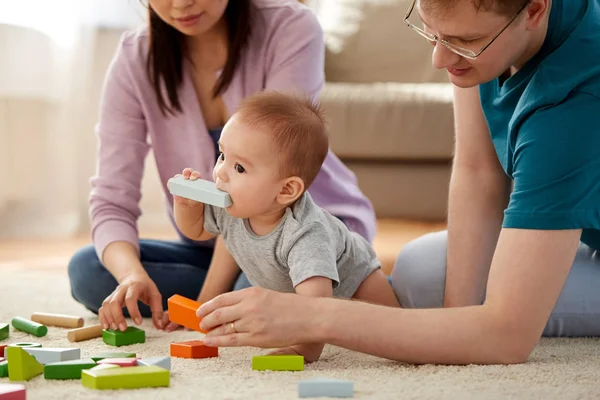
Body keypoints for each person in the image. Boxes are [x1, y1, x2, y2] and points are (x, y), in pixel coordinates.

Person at [196, 0, 600, 364]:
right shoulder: (487, 39)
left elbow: (507, 338)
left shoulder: (571, 108)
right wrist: (453, 325)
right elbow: (478, 170)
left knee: (458, 315)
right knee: (419, 275)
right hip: (584, 225)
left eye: (464, 41)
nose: (440, 59)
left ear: (534, 10)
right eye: (432, 33)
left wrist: (314, 317)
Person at [67, 0, 377, 334]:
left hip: (294, 235)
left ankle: (328, 282)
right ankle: (268, 295)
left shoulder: (290, 28)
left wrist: (204, 302)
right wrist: (132, 276)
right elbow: (112, 199)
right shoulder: (135, 58)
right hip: (219, 242)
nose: (181, 3)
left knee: (258, 291)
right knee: (88, 270)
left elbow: (262, 208)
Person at [169, 92, 399, 361]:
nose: (220, 172)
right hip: (289, 287)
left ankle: (409, 292)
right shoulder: (232, 206)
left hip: (357, 279)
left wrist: (303, 349)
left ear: (287, 189)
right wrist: (186, 207)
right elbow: (196, 231)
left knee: (397, 329)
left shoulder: (304, 234)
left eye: (239, 168)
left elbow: (317, 306)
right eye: (222, 156)